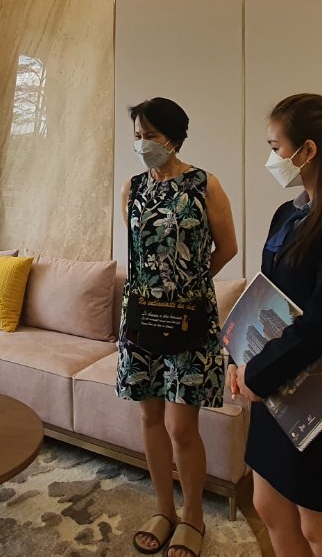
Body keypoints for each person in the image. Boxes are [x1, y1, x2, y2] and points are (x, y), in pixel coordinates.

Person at [229, 93, 322, 557]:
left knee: (320, 528)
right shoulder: (288, 213)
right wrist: (239, 357)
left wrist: (257, 372)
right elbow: (266, 297)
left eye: (275, 147)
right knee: (269, 506)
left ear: (308, 150)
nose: (271, 158)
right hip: (274, 386)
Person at [118, 97, 239, 557]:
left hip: (189, 319)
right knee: (149, 417)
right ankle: (164, 510)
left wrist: (190, 283)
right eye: (137, 135)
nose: (141, 144)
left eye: (149, 135)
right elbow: (138, 252)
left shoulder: (205, 184)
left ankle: (193, 516)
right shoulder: (132, 188)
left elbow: (226, 247)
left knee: (180, 426)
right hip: (141, 317)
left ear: (173, 136)